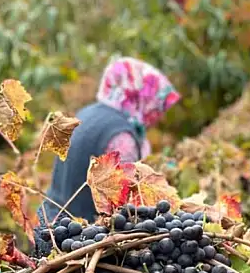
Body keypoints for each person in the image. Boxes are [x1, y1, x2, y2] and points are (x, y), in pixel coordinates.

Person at [41, 56, 181, 223]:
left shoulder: (88, 113)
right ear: (141, 97)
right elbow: (124, 204)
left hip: (51, 222)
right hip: (79, 235)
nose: (158, 116)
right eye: (157, 107)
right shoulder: (121, 137)